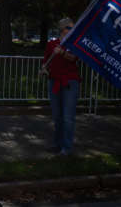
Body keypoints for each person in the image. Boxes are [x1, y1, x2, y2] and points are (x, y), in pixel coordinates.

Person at [43, 18, 80, 156]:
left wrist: (63, 53)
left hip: (70, 82)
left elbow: (74, 58)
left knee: (67, 117)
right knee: (57, 116)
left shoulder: (74, 43)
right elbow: (45, 60)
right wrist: (43, 68)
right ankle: (57, 144)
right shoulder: (52, 43)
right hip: (54, 82)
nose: (72, 30)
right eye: (69, 28)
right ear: (62, 29)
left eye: (72, 28)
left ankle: (67, 148)